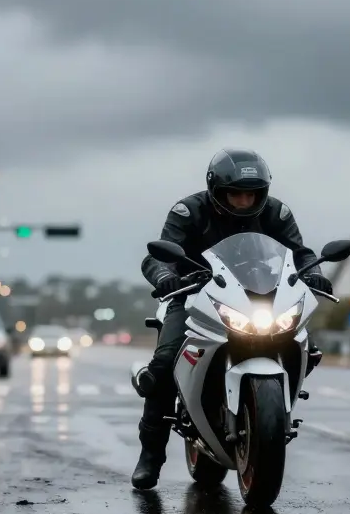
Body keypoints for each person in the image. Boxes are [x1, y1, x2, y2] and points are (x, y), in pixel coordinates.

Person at [130, 148, 332, 490]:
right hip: (194, 295)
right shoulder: (189, 211)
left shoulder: (276, 213)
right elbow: (157, 255)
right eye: (235, 193)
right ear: (217, 190)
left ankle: (269, 414)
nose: (243, 201)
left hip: (259, 298)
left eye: (250, 194)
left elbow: (300, 253)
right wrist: (166, 275)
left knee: (305, 344)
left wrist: (314, 272)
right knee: (165, 363)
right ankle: (151, 456)